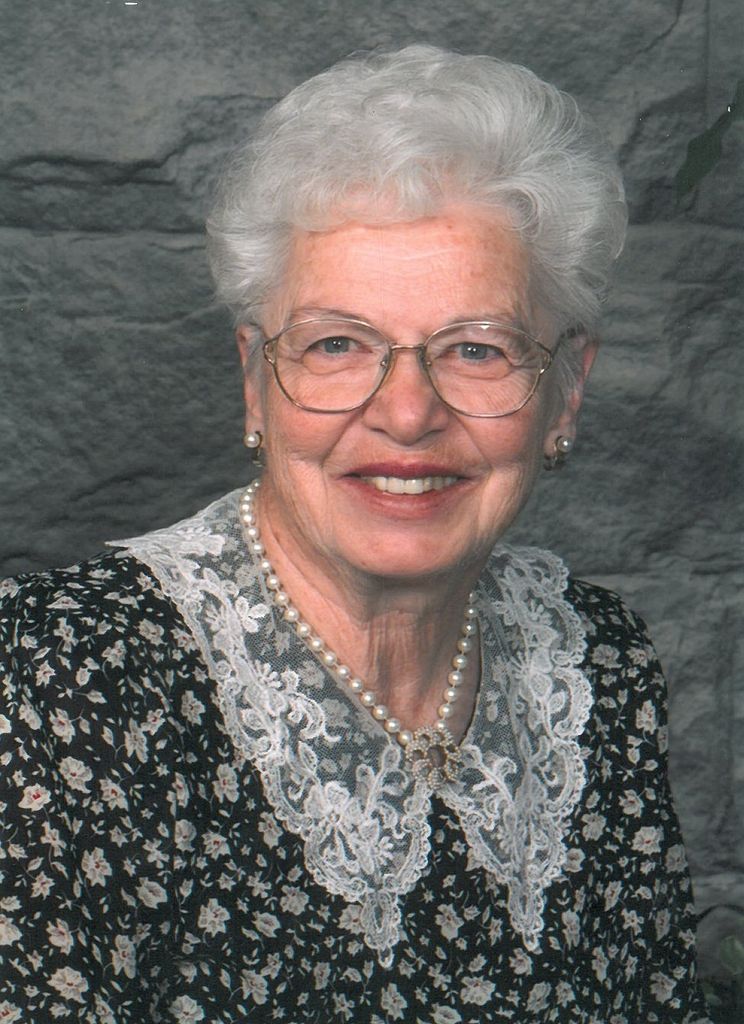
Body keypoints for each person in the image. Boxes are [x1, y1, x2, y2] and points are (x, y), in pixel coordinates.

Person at [0, 45, 710, 1023]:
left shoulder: (600, 668)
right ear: (257, 382)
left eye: (476, 349)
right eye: (337, 343)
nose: (408, 413)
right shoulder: (53, 672)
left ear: (566, 390)